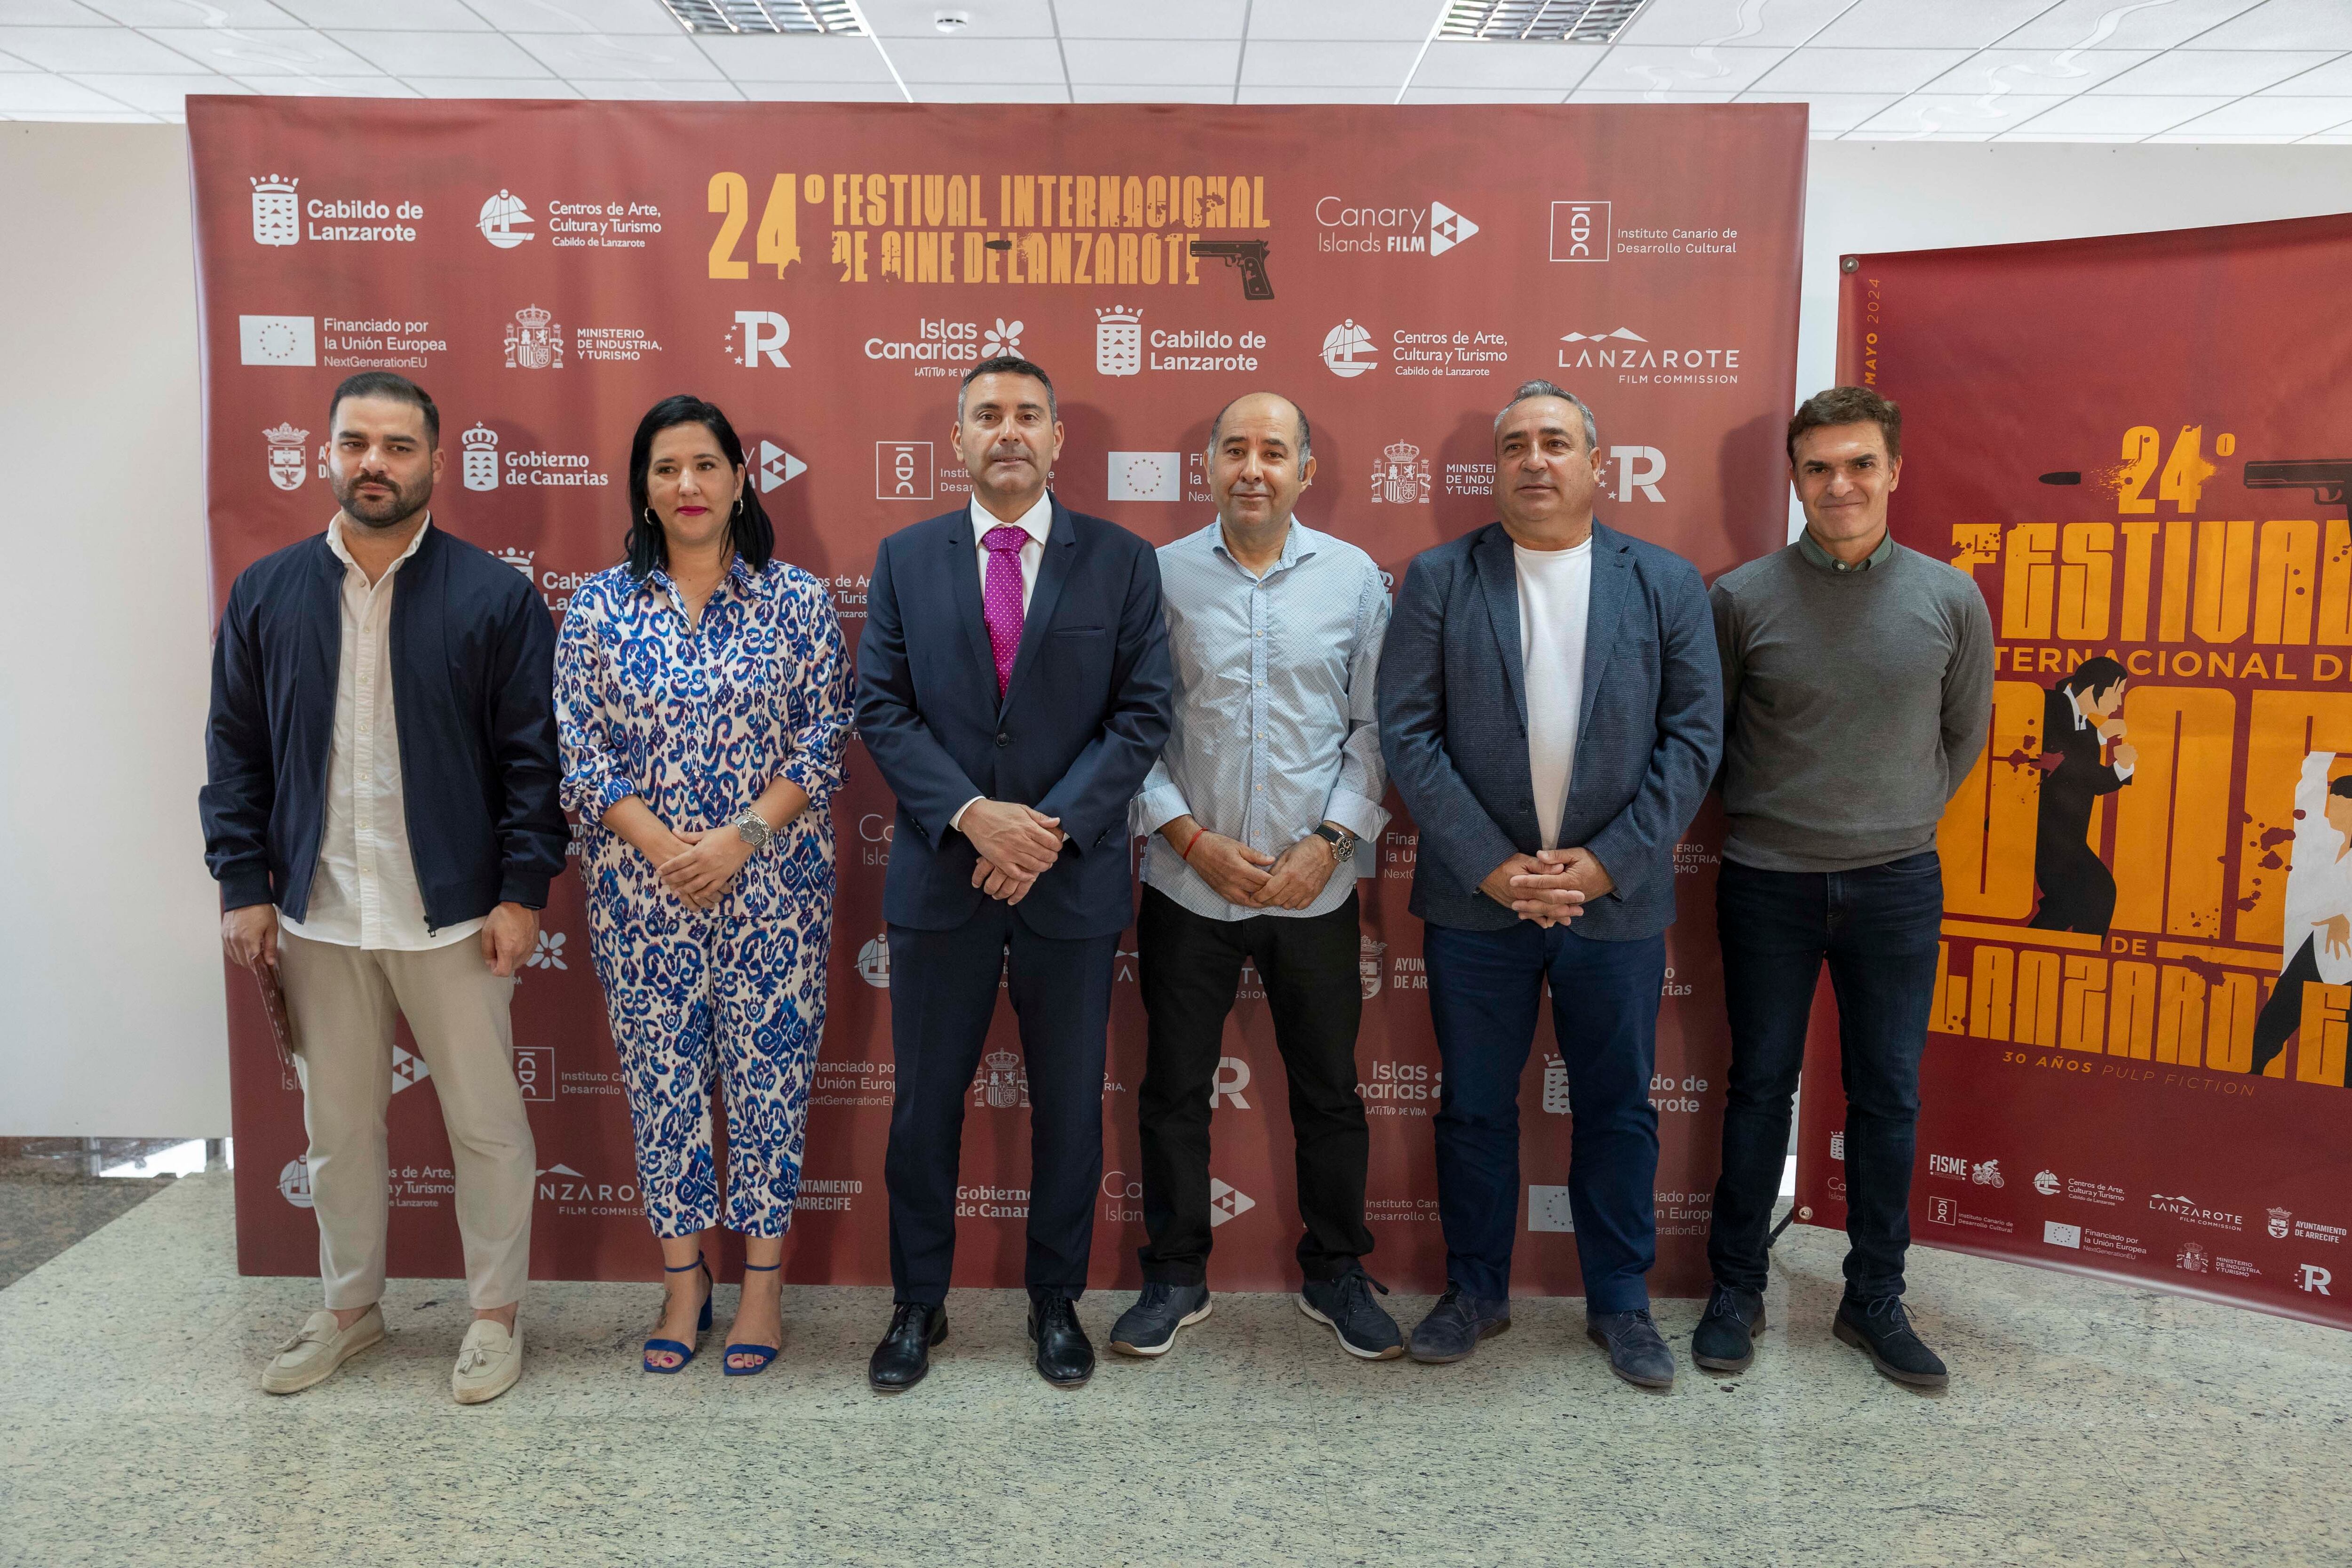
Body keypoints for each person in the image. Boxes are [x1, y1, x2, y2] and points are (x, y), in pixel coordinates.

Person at [201, 372, 564, 1405]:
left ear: (435, 463)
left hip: (450, 914)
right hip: (318, 911)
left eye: (398, 446)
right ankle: (351, 1307)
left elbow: (534, 763)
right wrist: (243, 881)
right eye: (356, 442)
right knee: (339, 1130)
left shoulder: (492, 595)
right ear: (328, 453)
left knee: (487, 1123)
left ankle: (494, 1315)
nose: (375, 463)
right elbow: (234, 749)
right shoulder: (267, 592)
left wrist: (521, 890)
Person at [1378, 380, 1719, 1389]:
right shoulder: (1440, 577)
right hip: (1475, 899)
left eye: (1556, 442)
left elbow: (1694, 738)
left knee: (1616, 1107)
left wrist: (1605, 863)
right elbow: (1408, 732)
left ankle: (1620, 1300)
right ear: (1497, 466)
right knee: (1474, 1105)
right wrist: (1495, 866)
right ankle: (1474, 1290)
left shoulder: (1663, 581)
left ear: (1593, 463)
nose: (1536, 459)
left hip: (1612, 902)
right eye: (1517, 444)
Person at [855, 355, 1173, 1392]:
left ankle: (1054, 1300)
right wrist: (972, 819)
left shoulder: (1122, 561)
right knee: (923, 1107)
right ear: (956, 439)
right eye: (987, 415)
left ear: (1056, 438)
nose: (1008, 431)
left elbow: (1140, 715)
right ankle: (918, 1304)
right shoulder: (904, 558)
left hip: (1068, 882)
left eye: (1027, 415)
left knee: (1070, 1104)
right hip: (942, 874)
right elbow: (883, 709)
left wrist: (1047, 831)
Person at [1698, 384, 1993, 1392]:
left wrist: (1894, 818)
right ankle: (1734, 1287)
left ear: (1893, 470)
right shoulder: (1739, 597)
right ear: (1794, 477)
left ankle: (1872, 1298)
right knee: (1757, 1088)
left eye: (1860, 463)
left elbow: (1963, 736)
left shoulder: (1950, 596)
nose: (1840, 484)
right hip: (1767, 880)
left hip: (1899, 882)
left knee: (1887, 1096)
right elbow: (1714, 736)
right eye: (1818, 467)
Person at [555, 395, 853, 1377]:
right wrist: (658, 845)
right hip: (643, 902)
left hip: (773, 892)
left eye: (705, 466)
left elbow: (823, 739)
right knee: (664, 1086)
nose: (686, 485)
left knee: (771, 1086)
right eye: (665, 468)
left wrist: (739, 839)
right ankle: (684, 1277)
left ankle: (763, 1283)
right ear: (643, 486)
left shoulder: (797, 601)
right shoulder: (599, 604)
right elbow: (580, 751)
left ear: (738, 479)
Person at [1110, 391, 1398, 1361]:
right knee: (1172, 1089)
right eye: (1233, 447)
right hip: (1187, 882)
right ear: (1207, 465)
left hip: (1313, 885)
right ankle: (1176, 1273)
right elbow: (1132, 729)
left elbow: (1375, 732)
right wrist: (1187, 837)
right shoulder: (1158, 577)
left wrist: (1331, 842)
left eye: (1273, 451)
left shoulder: (1356, 580)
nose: (1252, 467)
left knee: (1329, 1092)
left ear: (1305, 470)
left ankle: (1336, 1272)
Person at [2251, 751, 2352, 1075]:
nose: (2331, 809)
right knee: (2274, 1020)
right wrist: (2319, 761)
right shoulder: (2321, 840)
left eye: (2338, 803)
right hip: (2316, 945)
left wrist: (2343, 918)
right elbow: (2306, 806)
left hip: (2347, 954)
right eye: (2331, 800)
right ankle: (2252, 1076)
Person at [2028, 658, 2134, 936]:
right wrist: (2121, 767)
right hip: (2042, 832)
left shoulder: (2078, 719)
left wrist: (2100, 736)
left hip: (2064, 834)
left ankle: (2028, 956)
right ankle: (2084, 959)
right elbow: (2065, 762)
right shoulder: (2051, 704)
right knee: (2099, 892)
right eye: (2117, 692)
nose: (2119, 702)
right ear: (2092, 690)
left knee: (2065, 906)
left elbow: (2071, 749)